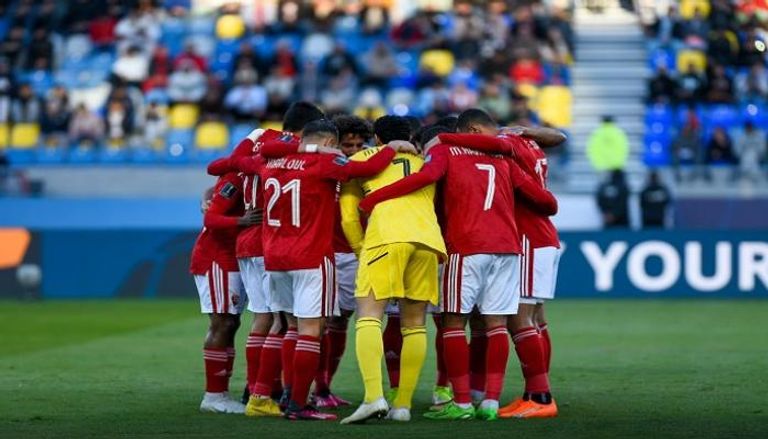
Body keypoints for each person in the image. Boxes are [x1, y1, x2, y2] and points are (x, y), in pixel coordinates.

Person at [357, 123, 559, 421]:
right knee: (497, 324)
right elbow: (548, 203)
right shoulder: (502, 157)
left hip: (465, 244)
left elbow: (426, 176)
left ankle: (460, 401)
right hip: (507, 247)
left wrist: (377, 197)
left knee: (451, 322)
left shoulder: (445, 151)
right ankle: (490, 401)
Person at [258, 119, 410, 421]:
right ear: (330, 143)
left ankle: (290, 394)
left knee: (291, 327)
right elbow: (363, 169)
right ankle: (299, 404)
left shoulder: (272, 160)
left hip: (275, 257)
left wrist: (303, 146)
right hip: (311, 256)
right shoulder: (323, 164)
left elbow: (247, 156)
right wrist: (390, 149)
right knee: (311, 331)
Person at [433, 109, 564, 418]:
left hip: (527, 235)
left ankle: (541, 396)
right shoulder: (526, 141)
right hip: (526, 237)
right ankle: (531, 393)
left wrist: (441, 139)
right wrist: (523, 129)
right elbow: (558, 137)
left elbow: (512, 150)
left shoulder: (506, 145)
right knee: (532, 319)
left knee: (520, 320)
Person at [339, 115, 445, 424]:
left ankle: (373, 397)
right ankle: (403, 406)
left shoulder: (363, 157)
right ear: (410, 135)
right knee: (414, 324)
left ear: (376, 138)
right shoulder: (424, 158)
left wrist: (362, 251)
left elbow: (348, 217)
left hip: (385, 237)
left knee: (369, 315)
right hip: (428, 240)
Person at [311, 115, 374, 409]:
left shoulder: (370, 171)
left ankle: (324, 388)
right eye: (348, 144)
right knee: (314, 323)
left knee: (340, 321)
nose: (355, 149)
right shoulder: (321, 165)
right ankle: (293, 389)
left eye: (360, 144)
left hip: (353, 254)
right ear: (334, 144)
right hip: (321, 253)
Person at [189, 167, 261, 414]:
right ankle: (214, 396)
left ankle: (222, 394)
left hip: (236, 258)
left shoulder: (260, 174)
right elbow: (211, 216)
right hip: (217, 258)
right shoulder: (239, 176)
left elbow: (213, 188)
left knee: (231, 323)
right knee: (222, 323)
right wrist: (242, 221)